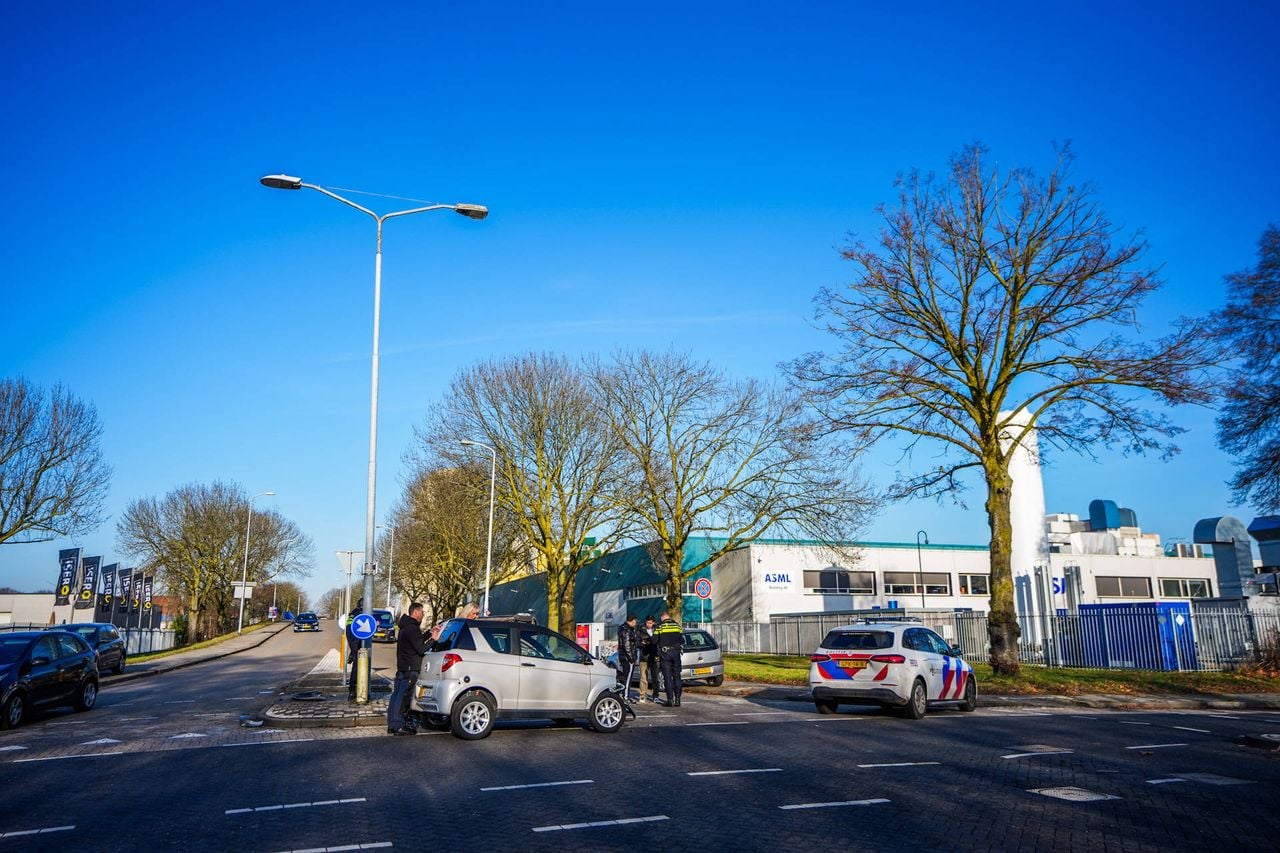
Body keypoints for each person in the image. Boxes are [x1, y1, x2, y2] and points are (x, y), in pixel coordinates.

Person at [388, 602, 427, 735]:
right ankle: (399, 725)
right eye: (422, 612)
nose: (423, 615)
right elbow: (421, 649)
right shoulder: (412, 629)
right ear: (415, 612)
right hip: (410, 668)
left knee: (396, 695)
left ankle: (392, 724)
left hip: (403, 667)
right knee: (403, 697)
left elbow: (417, 642)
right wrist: (434, 639)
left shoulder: (405, 627)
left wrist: (428, 634)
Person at [653, 610, 684, 707]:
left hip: (665, 654)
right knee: (677, 676)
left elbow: (654, 641)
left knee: (667, 677)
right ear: (669, 617)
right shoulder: (677, 626)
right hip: (676, 653)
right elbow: (682, 640)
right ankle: (678, 699)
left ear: (662, 617)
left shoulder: (660, 626)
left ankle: (670, 700)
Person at [616, 615, 639, 701]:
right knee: (628, 677)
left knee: (626, 676)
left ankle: (624, 694)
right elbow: (627, 645)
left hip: (623, 656)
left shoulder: (622, 628)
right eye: (635, 621)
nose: (636, 623)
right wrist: (631, 658)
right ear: (632, 621)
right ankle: (625, 696)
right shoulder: (627, 630)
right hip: (627, 657)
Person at [345, 599, 364, 701]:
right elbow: (352, 632)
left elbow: (348, 632)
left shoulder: (353, 615)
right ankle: (353, 690)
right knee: (356, 668)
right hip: (357, 646)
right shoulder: (358, 615)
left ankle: (355, 690)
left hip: (355, 645)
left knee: (356, 668)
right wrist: (355, 649)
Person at [638, 615, 659, 702]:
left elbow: (659, 641)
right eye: (647, 622)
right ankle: (643, 695)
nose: (648, 624)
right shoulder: (641, 629)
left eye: (650, 623)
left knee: (655, 677)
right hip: (644, 656)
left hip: (654, 655)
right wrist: (643, 643)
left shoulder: (657, 629)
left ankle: (655, 695)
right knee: (643, 677)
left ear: (653, 622)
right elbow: (637, 642)